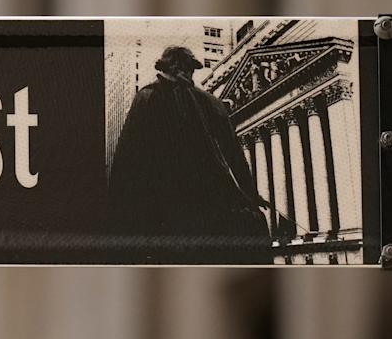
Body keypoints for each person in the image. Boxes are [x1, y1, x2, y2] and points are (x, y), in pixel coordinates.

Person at [107, 45, 272, 264]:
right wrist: (250, 193)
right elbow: (233, 153)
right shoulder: (204, 101)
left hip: (171, 204)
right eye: (188, 68)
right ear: (175, 67)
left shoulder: (149, 97)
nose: (190, 74)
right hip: (197, 201)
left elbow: (126, 157)